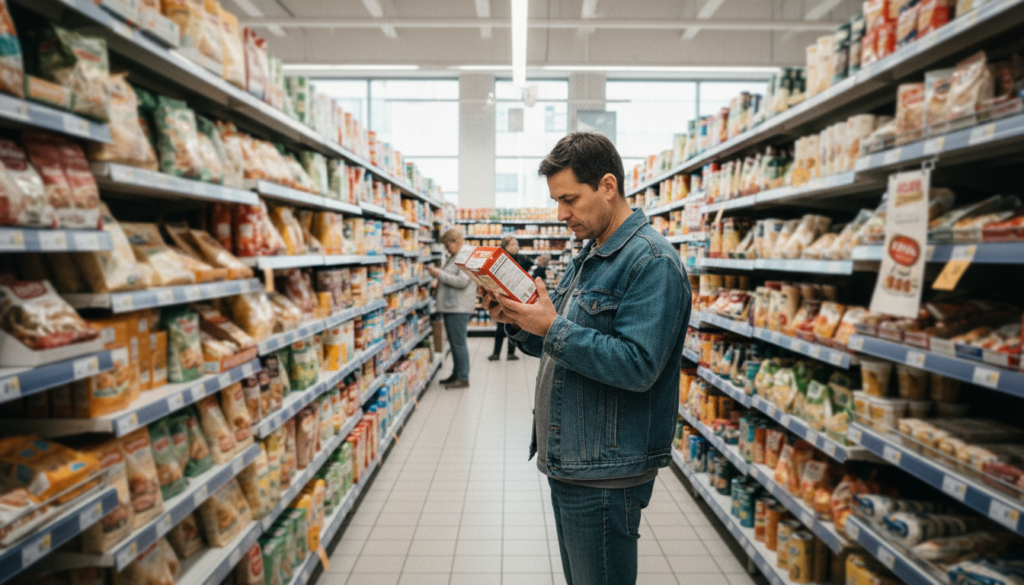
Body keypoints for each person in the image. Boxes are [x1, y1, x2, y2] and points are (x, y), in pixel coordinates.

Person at [482, 132, 691, 585]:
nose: (561, 214)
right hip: (574, 458)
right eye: (557, 201)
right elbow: (554, 343)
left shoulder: (651, 262)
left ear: (609, 186)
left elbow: (638, 366)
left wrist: (552, 326)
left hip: (606, 470)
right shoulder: (590, 255)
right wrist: (517, 319)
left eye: (570, 199)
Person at [427, 229, 475, 389]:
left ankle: (462, 377)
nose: (446, 249)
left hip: (458, 307)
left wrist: (438, 274)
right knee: (455, 343)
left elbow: (462, 281)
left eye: (447, 245)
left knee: (458, 343)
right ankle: (456, 374)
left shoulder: (466, 255)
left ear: (455, 241)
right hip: (452, 306)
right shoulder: (456, 255)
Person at [488, 235, 533, 362]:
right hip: (501, 296)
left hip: (516, 296)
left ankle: (511, 353)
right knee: (500, 327)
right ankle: (496, 353)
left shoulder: (520, 258)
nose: (515, 247)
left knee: (513, 323)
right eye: (512, 245)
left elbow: (529, 266)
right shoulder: (501, 259)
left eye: (517, 245)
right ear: (505, 247)